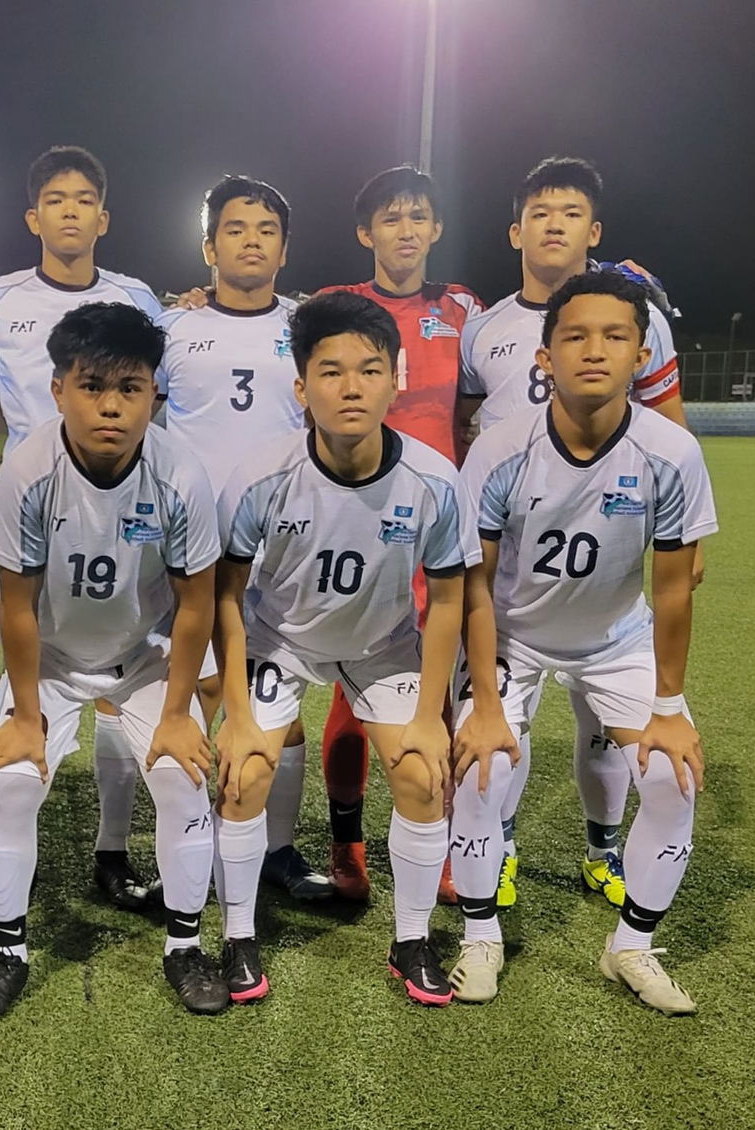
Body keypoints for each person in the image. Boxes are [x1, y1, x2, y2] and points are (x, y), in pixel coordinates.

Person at [446, 271, 714, 1013]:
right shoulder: (500, 449)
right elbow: (475, 586)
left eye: (615, 336)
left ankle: (630, 947)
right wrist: (489, 700)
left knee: (672, 775)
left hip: (614, 640)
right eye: (575, 336)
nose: (594, 350)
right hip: (514, 636)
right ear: (545, 357)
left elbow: (670, 589)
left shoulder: (672, 453)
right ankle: (479, 935)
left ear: (640, 353)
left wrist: (669, 704)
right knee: (478, 764)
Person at [0, 302, 228, 1021]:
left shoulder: (179, 470)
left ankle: (185, 946)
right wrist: (25, 716)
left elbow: (196, 604)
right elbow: (15, 606)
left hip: (143, 657)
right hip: (50, 660)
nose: (111, 406)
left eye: (131, 387)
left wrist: (178, 713)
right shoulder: (27, 469)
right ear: (58, 390)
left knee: (181, 780)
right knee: (13, 783)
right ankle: (6, 951)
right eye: (92, 386)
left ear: (154, 394)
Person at [457, 157, 700, 911]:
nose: (554, 223)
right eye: (540, 211)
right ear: (516, 230)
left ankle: (602, 852)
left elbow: (668, 424)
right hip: (514, 558)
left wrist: (686, 539)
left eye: (570, 212)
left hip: (610, 565)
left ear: (594, 231)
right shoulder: (485, 326)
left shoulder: (642, 319)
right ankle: (497, 860)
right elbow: (465, 425)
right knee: (487, 755)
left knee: (612, 737)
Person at [212, 291, 466, 1006]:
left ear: (398, 378)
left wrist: (428, 717)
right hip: (280, 638)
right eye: (329, 372)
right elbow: (225, 596)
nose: (350, 387)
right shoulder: (261, 475)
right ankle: (237, 936)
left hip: (380, 645)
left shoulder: (433, 480)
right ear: (301, 388)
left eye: (369, 369)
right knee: (244, 772)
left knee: (421, 773)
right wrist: (235, 710)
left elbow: (446, 600)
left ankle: (411, 939)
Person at [0, 146, 166, 912]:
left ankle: (111, 850)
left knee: (123, 656)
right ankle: (1, 864)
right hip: (37, 504)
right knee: (39, 642)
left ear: (103, 217)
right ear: (34, 216)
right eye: (56, 199)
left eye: (85, 198)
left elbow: (152, 384)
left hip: (119, 501)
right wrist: (23, 447)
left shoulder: (137, 297)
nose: (71, 211)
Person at [154, 174, 330, 902]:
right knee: (193, 695)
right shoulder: (172, 328)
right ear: (208, 246)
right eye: (235, 228)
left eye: (265, 230)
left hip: (282, 546)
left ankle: (277, 852)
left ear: (284, 250)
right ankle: (196, 845)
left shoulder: (311, 327)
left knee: (274, 702)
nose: (250, 240)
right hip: (191, 550)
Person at [314, 165, 482, 903]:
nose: (406, 230)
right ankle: (347, 843)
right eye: (390, 218)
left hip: (437, 525)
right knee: (355, 691)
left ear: (435, 229)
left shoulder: (465, 310)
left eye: (418, 216)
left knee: (435, 689)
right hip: (356, 522)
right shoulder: (332, 306)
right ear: (366, 233)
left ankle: (436, 842)